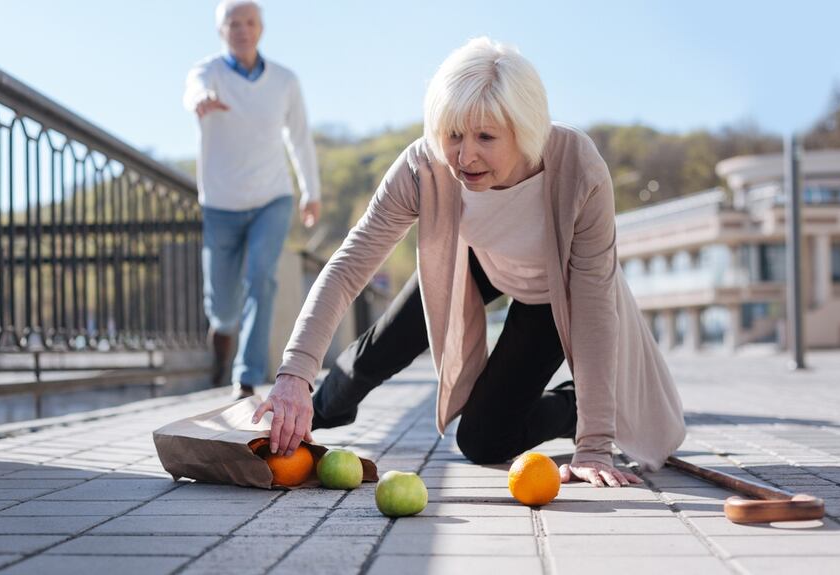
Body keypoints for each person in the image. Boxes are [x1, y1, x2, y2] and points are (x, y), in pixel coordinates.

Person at [253, 37, 686, 487]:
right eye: (454, 135)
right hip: (477, 260)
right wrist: (294, 375)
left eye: (486, 137)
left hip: (554, 290)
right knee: (372, 356)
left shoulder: (578, 167)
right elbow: (347, 268)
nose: (464, 156)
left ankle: (575, 405)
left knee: (483, 440)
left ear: (525, 129)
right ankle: (307, 415)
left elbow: (594, 305)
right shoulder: (423, 166)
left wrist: (594, 443)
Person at [183, 0, 321, 400]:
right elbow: (193, 91)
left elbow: (300, 138)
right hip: (220, 202)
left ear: (260, 28)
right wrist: (201, 99)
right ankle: (222, 333)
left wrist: (311, 192)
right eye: (233, 24)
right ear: (221, 31)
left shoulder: (285, 81)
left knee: (262, 278)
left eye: (249, 22)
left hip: (271, 198)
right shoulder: (207, 72)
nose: (242, 30)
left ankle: (246, 377)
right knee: (223, 307)